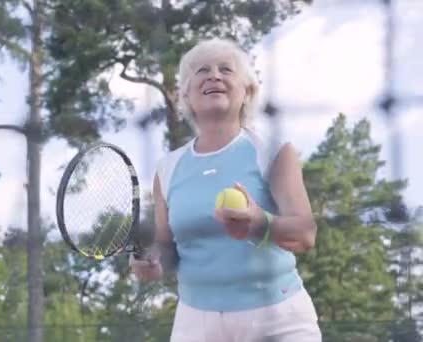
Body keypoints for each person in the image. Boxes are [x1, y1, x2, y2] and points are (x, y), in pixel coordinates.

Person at [129, 38, 322, 341]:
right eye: (202, 70)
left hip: (278, 319)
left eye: (226, 70)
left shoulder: (274, 151)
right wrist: (152, 263)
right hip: (195, 324)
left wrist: (260, 224)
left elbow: (306, 234)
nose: (214, 75)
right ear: (186, 97)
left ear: (247, 92)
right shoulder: (166, 169)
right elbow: (167, 247)